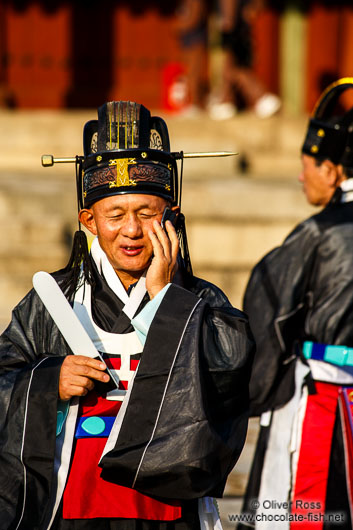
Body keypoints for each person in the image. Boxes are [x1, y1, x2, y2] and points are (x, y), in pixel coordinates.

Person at [0, 100, 255, 529]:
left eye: (147, 213)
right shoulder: (51, 301)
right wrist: (48, 381)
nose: (132, 230)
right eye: (114, 215)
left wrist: (164, 299)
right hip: (72, 502)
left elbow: (232, 376)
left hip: (165, 501)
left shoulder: (201, 299)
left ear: (171, 216)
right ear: (89, 221)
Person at [238, 78, 353, 529]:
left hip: (320, 403)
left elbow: (268, 314)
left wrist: (253, 387)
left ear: (332, 169)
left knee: (296, 511)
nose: (301, 176)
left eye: (307, 165)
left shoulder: (318, 234)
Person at [209, 0, 281, 120]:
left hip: (233, 29)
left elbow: (228, 7)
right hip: (239, 28)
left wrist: (227, 29)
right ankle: (227, 99)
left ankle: (261, 96)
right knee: (233, 69)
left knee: (233, 69)